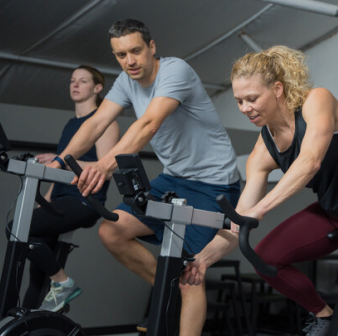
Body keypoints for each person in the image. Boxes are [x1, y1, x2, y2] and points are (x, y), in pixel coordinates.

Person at [181, 45, 338, 336]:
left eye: (252, 98)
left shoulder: (316, 101)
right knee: (266, 258)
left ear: (277, 89)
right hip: (331, 212)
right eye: (239, 101)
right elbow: (240, 218)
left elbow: (310, 162)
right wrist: (201, 260)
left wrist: (262, 208)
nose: (244, 108)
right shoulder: (262, 150)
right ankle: (323, 315)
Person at [47, 19, 240, 335]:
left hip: (213, 183)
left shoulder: (175, 72)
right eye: (121, 55)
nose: (129, 61)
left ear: (152, 47)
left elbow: (149, 123)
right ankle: (169, 284)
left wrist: (104, 165)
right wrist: (59, 161)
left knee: (192, 272)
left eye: (135, 51)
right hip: (174, 178)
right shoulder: (126, 81)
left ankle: (179, 286)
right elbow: (96, 124)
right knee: (112, 231)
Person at [5, 65, 119, 312]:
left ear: (97, 88)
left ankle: (64, 282)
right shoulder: (71, 124)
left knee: (16, 228)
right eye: (72, 81)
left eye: (83, 81)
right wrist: (43, 201)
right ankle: (29, 323)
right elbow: (60, 172)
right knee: (37, 273)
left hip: (84, 201)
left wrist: (61, 159)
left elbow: (106, 167)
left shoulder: (105, 122)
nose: (75, 85)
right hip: (60, 198)